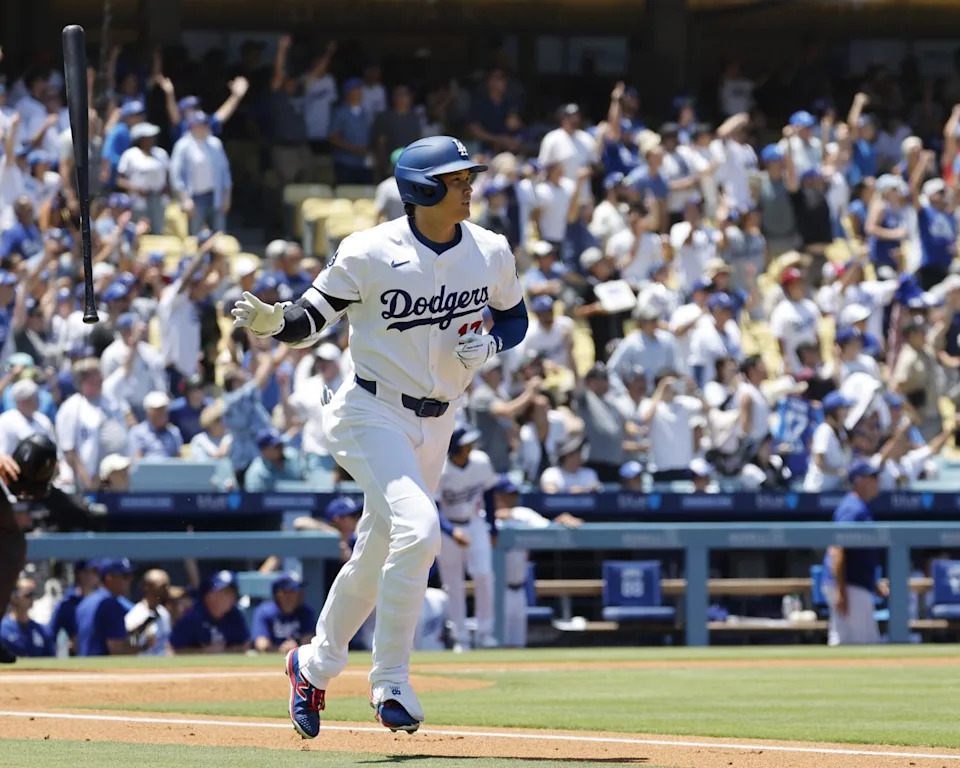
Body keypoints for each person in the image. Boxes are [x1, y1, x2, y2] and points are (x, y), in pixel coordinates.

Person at [231, 135, 526, 737]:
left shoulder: (490, 249)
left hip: (438, 419)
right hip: (369, 411)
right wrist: (272, 322)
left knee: (377, 554)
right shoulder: (369, 250)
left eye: (468, 175)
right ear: (421, 189)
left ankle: (311, 666)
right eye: (456, 178)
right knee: (419, 529)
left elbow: (515, 316)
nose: (469, 184)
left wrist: (493, 343)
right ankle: (390, 679)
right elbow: (308, 319)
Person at [493, 477, 581, 648]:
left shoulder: (523, 514)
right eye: (506, 494)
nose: (512, 498)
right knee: (498, 643)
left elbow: (548, 529)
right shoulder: (485, 516)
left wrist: (561, 520)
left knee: (517, 643)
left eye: (514, 494)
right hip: (496, 590)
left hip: (519, 589)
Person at [435, 426, 499, 652]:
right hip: (448, 527)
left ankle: (485, 632)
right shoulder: (440, 469)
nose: (470, 448)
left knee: (484, 575)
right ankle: (460, 636)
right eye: (465, 445)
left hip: (475, 523)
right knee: (453, 584)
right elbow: (433, 507)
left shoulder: (481, 462)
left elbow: (490, 494)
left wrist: (492, 528)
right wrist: (452, 531)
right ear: (455, 449)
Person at [825, 459, 889, 646]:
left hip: (855, 585)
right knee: (856, 644)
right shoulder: (852, 508)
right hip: (849, 586)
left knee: (854, 642)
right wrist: (840, 589)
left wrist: (872, 582)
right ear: (859, 481)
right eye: (873, 477)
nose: (878, 481)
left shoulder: (860, 507)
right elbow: (837, 549)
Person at [170, 570, 250, 653]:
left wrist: (225, 651)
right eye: (223, 593)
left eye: (231, 593)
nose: (229, 598)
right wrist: (203, 652)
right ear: (208, 596)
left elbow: (244, 644)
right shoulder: (193, 618)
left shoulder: (234, 616)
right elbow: (175, 649)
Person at [75, 558, 136, 656]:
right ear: (109, 577)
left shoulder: (85, 602)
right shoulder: (110, 604)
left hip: (83, 666)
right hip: (102, 667)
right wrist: (145, 647)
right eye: (125, 576)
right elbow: (117, 650)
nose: (129, 581)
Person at [251, 572, 316, 654]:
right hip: (272, 659)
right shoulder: (264, 611)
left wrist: (295, 647)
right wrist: (281, 649)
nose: (298, 594)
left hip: (298, 657)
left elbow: (309, 640)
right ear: (279, 594)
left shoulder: (306, 612)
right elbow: (262, 645)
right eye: (292, 591)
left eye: (299, 591)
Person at [803, 391, 852, 492]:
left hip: (833, 489)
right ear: (833, 412)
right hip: (817, 491)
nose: (847, 412)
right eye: (843, 408)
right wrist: (839, 472)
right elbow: (819, 462)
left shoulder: (842, 432)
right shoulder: (824, 430)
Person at [48, 559, 99, 654]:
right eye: (94, 571)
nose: (98, 575)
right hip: (79, 657)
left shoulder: (104, 599)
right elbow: (51, 635)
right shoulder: (67, 604)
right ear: (81, 574)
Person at [124, 569, 172, 656]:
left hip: (164, 666)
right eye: (162, 586)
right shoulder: (135, 614)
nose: (166, 591)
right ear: (147, 587)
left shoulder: (164, 612)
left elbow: (166, 643)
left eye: (167, 586)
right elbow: (125, 646)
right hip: (143, 666)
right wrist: (143, 643)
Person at [1, 577, 53, 657]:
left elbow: (52, 659)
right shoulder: (3, 628)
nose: (32, 599)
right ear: (14, 598)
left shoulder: (42, 630)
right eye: (28, 595)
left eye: (33, 595)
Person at [129, 391, 184, 459]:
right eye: (157, 410)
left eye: (163, 408)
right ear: (148, 412)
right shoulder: (137, 433)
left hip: (170, 469)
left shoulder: (174, 431)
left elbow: (178, 459)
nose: (161, 413)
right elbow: (136, 460)